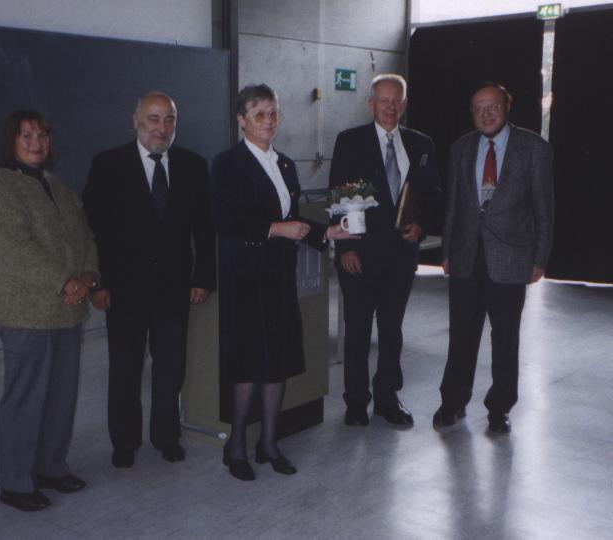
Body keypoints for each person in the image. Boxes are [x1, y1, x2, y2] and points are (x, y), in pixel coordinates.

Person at [211, 84, 357, 481]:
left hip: (279, 277)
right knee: (247, 366)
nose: (268, 121)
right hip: (245, 278)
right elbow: (226, 221)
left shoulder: (287, 165)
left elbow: (294, 220)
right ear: (242, 121)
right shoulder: (227, 163)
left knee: (276, 363)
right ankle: (236, 445)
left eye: (273, 113)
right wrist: (276, 228)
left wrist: (328, 232)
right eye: (259, 114)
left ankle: (269, 443)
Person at [82, 92, 216, 468]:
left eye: (169, 120)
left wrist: (202, 276)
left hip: (175, 289)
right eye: (153, 119)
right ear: (135, 121)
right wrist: (99, 283)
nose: (161, 128)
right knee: (125, 369)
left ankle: (166, 436)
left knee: (171, 369)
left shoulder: (192, 165)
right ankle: (124, 443)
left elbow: (205, 230)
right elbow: (93, 230)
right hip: (123, 290)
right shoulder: (108, 165)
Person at [0, 110, 99, 512]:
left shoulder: (58, 187)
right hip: (28, 312)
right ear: (11, 142)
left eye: (42, 134)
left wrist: (88, 277)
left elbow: (84, 236)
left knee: (61, 396)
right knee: (26, 398)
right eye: (26, 135)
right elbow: (17, 249)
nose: (36, 142)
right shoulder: (0, 187)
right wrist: (65, 282)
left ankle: (50, 467)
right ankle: (15, 483)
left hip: (67, 311)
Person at [434, 82, 554, 433]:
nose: (485, 114)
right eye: (478, 108)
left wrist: (540, 258)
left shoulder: (534, 148)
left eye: (493, 107)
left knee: (505, 339)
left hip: (512, 260)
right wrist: (446, 252)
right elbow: (454, 206)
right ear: (471, 113)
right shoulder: (461, 148)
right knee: (461, 336)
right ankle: (452, 402)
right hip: (467, 258)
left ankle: (499, 407)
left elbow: (544, 209)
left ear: (507, 106)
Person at [329, 73, 440, 427]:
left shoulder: (421, 143)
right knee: (358, 330)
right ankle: (356, 402)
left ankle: (388, 398)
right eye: (383, 100)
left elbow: (432, 194)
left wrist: (420, 224)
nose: (390, 106)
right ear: (371, 104)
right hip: (359, 254)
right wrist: (346, 248)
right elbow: (340, 198)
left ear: (404, 105)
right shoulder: (350, 141)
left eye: (396, 100)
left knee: (392, 330)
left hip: (401, 255)